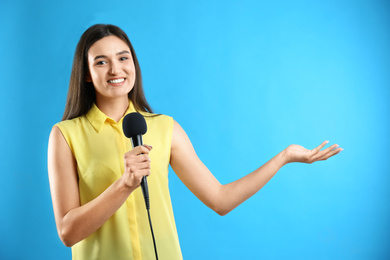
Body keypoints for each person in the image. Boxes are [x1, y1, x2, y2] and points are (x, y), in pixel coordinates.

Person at [48, 24, 343, 260]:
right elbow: (68, 232)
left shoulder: (164, 127)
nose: (115, 70)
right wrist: (124, 184)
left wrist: (285, 157)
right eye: (101, 62)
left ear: (134, 65)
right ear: (86, 73)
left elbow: (221, 200)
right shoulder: (66, 135)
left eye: (123, 58)